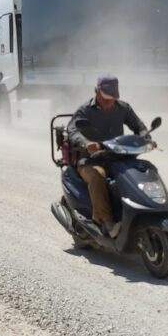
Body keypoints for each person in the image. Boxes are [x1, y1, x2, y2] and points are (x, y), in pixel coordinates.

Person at [67, 75, 149, 238]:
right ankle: (105, 221)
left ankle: (139, 212)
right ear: (96, 91)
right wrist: (85, 143)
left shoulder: (123, 108)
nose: (109, 103)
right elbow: (72, 130)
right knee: (98, 176)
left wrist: (146, 137)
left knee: (142, 170)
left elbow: (139, 126)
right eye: (105, 98)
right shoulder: (85, 110)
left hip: (118, 157)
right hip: (90, 160)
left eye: (112, 99)